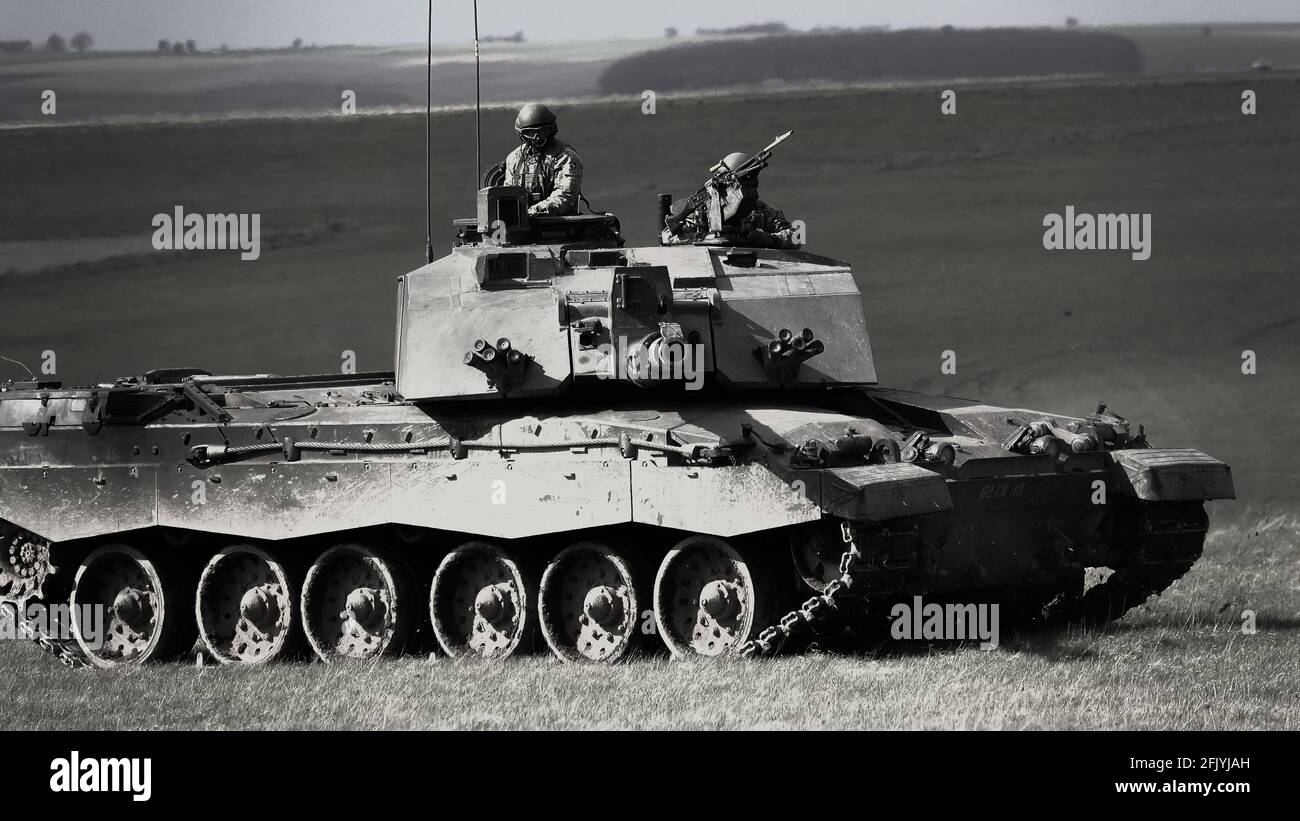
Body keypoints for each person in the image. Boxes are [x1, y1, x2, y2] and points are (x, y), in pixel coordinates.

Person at [661, 151, 801, 248]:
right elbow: (668, 236)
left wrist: (771, 239)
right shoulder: (701, 210)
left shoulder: (761, 211)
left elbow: (796, 238)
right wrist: (705, 238)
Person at [503, 103, 583, 216]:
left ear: (551, 129)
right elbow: (508, 193)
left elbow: (565, 196)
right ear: (522, 133)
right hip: (519, 223)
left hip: (558, 223)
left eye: (541, 131)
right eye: (530, 132)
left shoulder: (565, 156)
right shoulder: (514, 158)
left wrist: (535, 210)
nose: (537, 136)